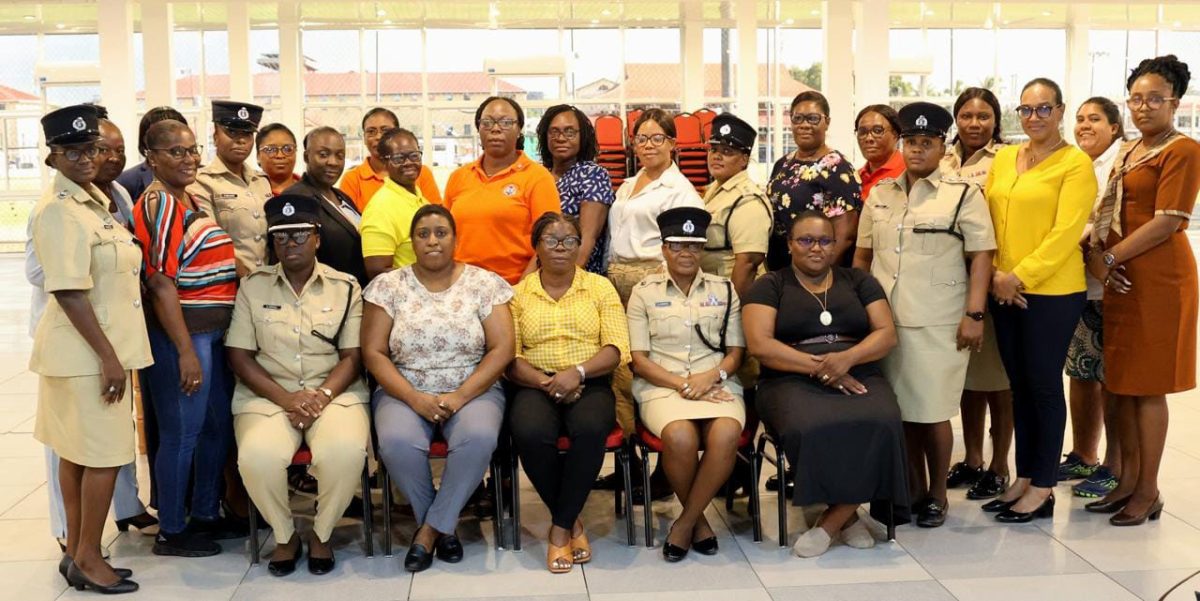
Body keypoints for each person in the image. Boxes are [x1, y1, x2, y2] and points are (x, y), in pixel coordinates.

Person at [853, 102, 996, 528]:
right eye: (910, 142)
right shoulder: (880, 194)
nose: (917, 150)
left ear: (941, 145)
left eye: (927, 143)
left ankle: (936, 495)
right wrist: (860, 309)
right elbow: (862, 257)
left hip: (938, 321)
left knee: (932, 412)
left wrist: (975, 313)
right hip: (886, 323)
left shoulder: (963, 194)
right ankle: (912, 488)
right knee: (900, 412)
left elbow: (982, 257)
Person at [30, 104, 151, 594]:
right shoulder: (59, 209)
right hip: (86, 357)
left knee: (78, 457)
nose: (84, 158)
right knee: (100, 457)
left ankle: (81, 552)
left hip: (87, 352)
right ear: (52, 156)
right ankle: (85, 557)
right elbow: (68, 290)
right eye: (71, 150)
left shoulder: (91, 201)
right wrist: (107, 357)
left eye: (91, 148)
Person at [743, 210, 908, 558]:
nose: (815, 248)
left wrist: (846, 359)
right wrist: (822, 368)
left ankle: (833, 521)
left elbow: (886, 333)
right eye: (805, 240)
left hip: (856, 368)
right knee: (812, 425)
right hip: (789, 375)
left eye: (824, 241)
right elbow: (761, 345)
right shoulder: (770, 285)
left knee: (883, 420)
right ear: (789, 245)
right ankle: (848, 517)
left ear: (835, 246)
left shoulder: (859, 281)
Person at [361, 204, 514, 572]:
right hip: (405, 388)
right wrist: (414, 397)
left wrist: (460, 396)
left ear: (455, 239)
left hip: (472, 388)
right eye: (423, 234)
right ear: (411, 241)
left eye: (441, 233)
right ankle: (444, 525)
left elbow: (503, 349)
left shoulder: (483, 283)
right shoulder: (388, 286)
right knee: (396, 443)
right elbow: (374, 352)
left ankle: (429, 531)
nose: (432, 241)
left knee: (477, 438)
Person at [226, 194, 369, 576]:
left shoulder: (346, 287)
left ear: (317, 238)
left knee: (345, 451)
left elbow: (353, 356)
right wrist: (288, 399)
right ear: (272, 242)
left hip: (334, 393)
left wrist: (320, 396)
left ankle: (322, 534)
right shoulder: (253, 287)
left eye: (300, 234)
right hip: (267, 396)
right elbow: (239, 357)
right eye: (282, 237)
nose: (291, 244)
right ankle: (286, 535)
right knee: (257, 457)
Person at [1086, 56, 1200, 526]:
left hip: (1158, 280)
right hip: (1121, 280)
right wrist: (1098, 256)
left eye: (1155, 99)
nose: (1144, 107)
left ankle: (1149, 490)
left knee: (1149, 389)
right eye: (1136, 98)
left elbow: (1169, 221)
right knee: (1124, 386)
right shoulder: (1130, 150)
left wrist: (1110, 258)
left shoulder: (1183, 150)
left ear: (1175, 102)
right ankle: (1127, 481)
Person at [982, 77, 1094, 523]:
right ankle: (1024, 475)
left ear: (1060, 111)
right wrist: (993, 274)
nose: (1033, 118)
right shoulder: (1007, 157)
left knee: (1044, 385)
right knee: (1018, 387)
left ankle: (1044, 486)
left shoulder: (1075, 164)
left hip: (1051, 291)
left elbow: (1066, 233)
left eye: (1043, 109)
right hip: (1001, 287)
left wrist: (1018, 277)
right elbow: (986, 219)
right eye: (1026, 109)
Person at [133, 119, 240, 557]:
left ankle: (204, 515)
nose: (189, 158)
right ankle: (172, 530)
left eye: (192, 150)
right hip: (184, 338)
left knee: (215, 427)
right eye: (176, 152)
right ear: (151, 157)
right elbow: (160, 281)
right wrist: (183, 352)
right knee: (182, 433)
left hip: (213, 334)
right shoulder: (158, 203)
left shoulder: (188, 198)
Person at [507, 212, 629, 573]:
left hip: (589, 380)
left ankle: (559, 529)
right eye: (551, 240)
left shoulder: (599, 287)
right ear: (536, 247)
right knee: (530, 431)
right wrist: (549, 382)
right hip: (534, 382)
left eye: (570, 241)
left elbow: (616, 347)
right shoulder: (516, 294)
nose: (561, 248)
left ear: (580, 247)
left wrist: (575, 374)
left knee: (590, 430)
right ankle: (572, 522)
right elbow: (510, 355)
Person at [628, 207, 745, 561]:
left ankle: (686, 522)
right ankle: (699, 523)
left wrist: (712, 377)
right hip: (662, 385)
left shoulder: (724, 290)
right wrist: (682, 383)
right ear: (664, 248)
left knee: (725, 433)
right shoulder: (643, 292)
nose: (686, 253)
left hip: (716, 382)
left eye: (694, 246)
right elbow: (639, 358)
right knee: (680, 436)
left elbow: (736, 351)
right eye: (677, 245)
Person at [602, 108, 702, 499]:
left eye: (656, 138)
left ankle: (664, 472)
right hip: (618, 279)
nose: (647, 145)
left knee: (655, 368)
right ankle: (628, 461)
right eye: (640, 138)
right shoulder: (628, 184)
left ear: (674, 143)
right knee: (621, 373)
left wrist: (662, 284)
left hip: (653, 283)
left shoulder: (681, 190)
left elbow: (682, 248)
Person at [941, 87, 1013, 501]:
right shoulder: (945, 159)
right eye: (966, 115)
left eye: (983, 116)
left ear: (995, 120)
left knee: (998, 382)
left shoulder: (1006, 160)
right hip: (953, 282)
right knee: (968, 380)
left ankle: (1000, 463)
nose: (974, 123)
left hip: (991, 279)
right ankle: (972, 460)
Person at [1062, 97, 1125, 499]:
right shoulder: (1078, 163)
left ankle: (1114, 466)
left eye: (1095, 119)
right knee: (1081, 372)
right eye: (1081, 119)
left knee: (1114, 380)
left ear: (1115, 127)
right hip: (1080, 287)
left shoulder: (1121, 165)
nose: (1085, 126)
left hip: (1113, 288)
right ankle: (1085, 453)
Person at [443, 96, 562, 285]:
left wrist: (521, 290)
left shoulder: (538, 178)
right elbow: (445, 235)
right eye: (487, 122)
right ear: (479, 129)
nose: (496, 129)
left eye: (506, 122)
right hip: (460, 287)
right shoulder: (458, 177)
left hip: (514, 285)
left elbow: (550, 240)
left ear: (519, 130)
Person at [765, 91, 862, 271]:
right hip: (779, 264)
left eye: (813, 119)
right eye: (798, 118)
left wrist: (817, 274)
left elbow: (845, 235)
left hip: (815, 269)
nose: (804, 125)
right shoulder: (783, 163)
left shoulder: (838, 168)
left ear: (827, 122)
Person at [190, 100, 273, 276]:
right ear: (215, 137)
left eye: (247, 134)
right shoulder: (201, 182)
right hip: (227, 283)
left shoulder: (262, 180)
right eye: (232, 132)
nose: (240, 140)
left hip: (266, 284)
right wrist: (247, 280)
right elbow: (210, 240)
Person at [535, 104, 615, 274]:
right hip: (538, 272)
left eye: (570, 132)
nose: (561, 138)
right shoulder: (539, 174)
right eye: (554, 132)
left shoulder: (592, 174)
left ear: (583, 136)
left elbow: (587, 239)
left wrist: (561, 282)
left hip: (576, 278)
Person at [700, 113, 772, 299]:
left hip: (734, 296)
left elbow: (748, 263)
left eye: (727, 152)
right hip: (712, 292)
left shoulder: (747, 199)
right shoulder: (715, 190)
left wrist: (731, 310)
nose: (717, 156)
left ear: (744, 160)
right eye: (714, 149)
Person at [282, 126, 366, 286]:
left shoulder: (342, 197)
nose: (333, 162)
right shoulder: (295, 198)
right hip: (323, 296)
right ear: (306, 157)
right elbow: (294, 260)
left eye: (340, 156)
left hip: (354, 292)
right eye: (323, 155)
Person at [337, 107, 441, 211]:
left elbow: (436, 214)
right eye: (371, 131)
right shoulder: (352, 179)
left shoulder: (420, 172)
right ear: (364, 137)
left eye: (385, 131)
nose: (378, 137)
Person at [360, 127, 428, 280]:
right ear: (385, 162)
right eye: (399, 158)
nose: (409, 163)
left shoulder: (421, 200)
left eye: (414, 156)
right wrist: (429, 276)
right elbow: (376, 272)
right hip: (402, 299)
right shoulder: (380, 208)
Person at [117, 105, 187, 203]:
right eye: (160, 135)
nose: (169, 140)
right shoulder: (125, 181)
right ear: (144, 139)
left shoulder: (200, 177)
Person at [855, 105, 905, 199]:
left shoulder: (908, 174)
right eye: (862, 132)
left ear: (896, 135)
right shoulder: (855, 178)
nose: (869, 138)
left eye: (877, 131)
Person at [257, 123, 300, 196]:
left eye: (288, 149)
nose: (280, 155)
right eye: (270, 149)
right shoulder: (249, 191)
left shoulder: (310, 190)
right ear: (258, 156)